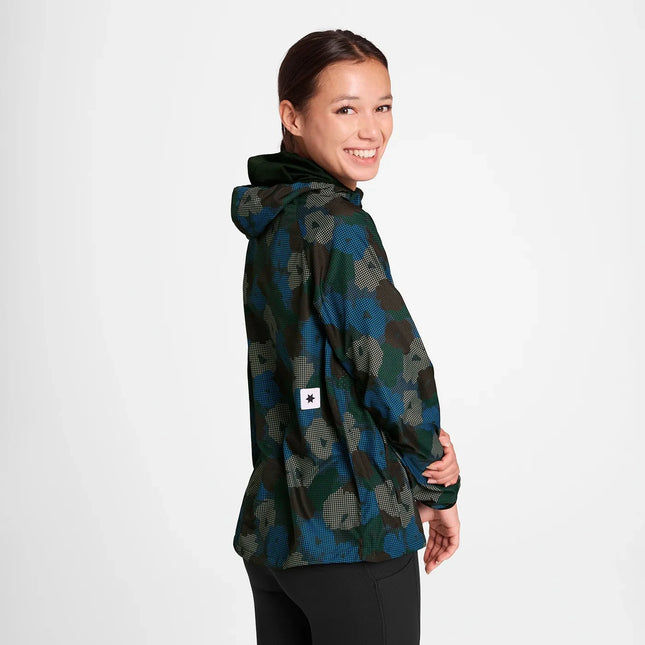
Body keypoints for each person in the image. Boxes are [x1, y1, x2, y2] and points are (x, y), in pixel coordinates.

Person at [230, 29, 462, 645]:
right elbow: (393, 369)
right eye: (345, 109)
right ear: (292, 117)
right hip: (353, 535)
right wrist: (438, 483)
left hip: (278, 533)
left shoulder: (275, 219)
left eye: (382, 107)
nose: (371, 129)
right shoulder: (336, 225)